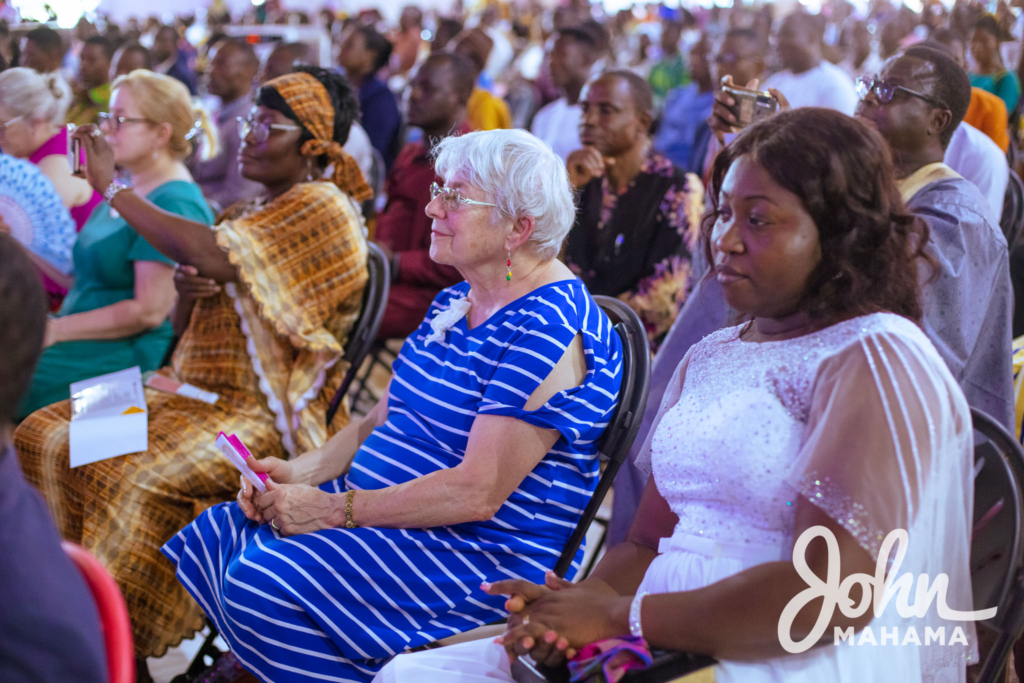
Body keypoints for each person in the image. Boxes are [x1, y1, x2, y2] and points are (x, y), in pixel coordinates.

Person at [376, 107, 977, 683]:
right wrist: (573, 608)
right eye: (722, 215)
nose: (727, 241)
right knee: (409, 672)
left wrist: (618, 618)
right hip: (656, 625)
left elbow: (832, 594)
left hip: (778, 648)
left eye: (759, 219)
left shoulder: (870, 356)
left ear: (840, 231)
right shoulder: (712, 354)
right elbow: (644, 542)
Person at [160, 129, 623, 683]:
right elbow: (380, 417)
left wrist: (332, 511)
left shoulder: (550, 326)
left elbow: (478, 492)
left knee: (262, 582)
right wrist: (298, 472)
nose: (431, 207)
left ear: (518, 228)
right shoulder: (460, 297)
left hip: (474, 556)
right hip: (400, 518)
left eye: (455, 197)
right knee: (223, 531)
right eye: (438, 190)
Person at [15, 67, 372, 681]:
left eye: (267, 125)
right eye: (249, 121)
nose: (248, 135)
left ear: (312, 143)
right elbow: (192, 309)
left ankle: (104, 645)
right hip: (182, 390)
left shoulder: (324, 208)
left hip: (256, 415)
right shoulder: (249, 210)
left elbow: (211, 253)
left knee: (116, 475)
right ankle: (42, 614)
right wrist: (189, 286)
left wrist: (112, 187)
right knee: (42, 432)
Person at [13, 70, 214, 419]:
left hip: (121, 356)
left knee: (10, 380)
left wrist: (57, 330)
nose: (106, 130)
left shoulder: (174, 202)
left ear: (160, 134)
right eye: (108, 117)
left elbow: (148, 311)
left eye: (120, 120)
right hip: (80, 334)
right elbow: (84, 278)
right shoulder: (124, 190)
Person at [855, 45, 1014, 430]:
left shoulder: (957, 219)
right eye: (872, 85)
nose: (873, 96)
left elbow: (910, 357)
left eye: (891, 91)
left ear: (937, 120)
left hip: (926, 437)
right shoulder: (872, 185)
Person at [0, 235, 107, 683]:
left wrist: (60, 329)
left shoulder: (35, 633)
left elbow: (147, 309)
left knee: (56, 437)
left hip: (110, 348)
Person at [565, 71, 700, 353]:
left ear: (642, 123)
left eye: (606, 111)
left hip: (634, 354)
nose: (588, 120)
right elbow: (542, 266)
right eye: (585, 109)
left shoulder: (676, 187)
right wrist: (563, 194)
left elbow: (661, 300)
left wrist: (577, 330)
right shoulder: (579, 178)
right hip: (570, 338)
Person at [374, 53, 473, 340]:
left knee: (320, 307)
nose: (414, 95)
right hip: (387, 278)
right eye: (412, 86)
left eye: (428, 89)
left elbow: (460, 259)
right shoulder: (411, 151)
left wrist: (395, 263)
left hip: (435, 297)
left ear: (460, 96)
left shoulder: (470, 165)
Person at [0, 67, 102, 308]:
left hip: (61, 298)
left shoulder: (55, 169)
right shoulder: (65, 137)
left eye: (1, 127)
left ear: (35, 122)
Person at [189, 39, 263, 211]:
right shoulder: (213, 109)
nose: (211, 72)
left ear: (248, 71)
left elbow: (239, 197)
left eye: (221, 65)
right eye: (210, 64)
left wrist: (188, 205)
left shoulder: (248, 123)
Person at [932, 28, 1010, 152]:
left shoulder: (991, 107)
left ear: (965, 65)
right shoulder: (911, 107)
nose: (945, 68)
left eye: (954, 60)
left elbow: (994, 163)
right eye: (936, 60)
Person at [764, 12, 857, 114]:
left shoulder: (835, 84)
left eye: (788, 35)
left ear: (812, 38)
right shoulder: (774, 82)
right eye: (776, 36)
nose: (779, 42)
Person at [530, 28, 599, 162]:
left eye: (561, 54)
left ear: (586, 60)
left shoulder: (599, 118)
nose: (550, 62)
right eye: (550, 55)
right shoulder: (545, 116)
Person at [338, 26, 401, 170]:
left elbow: (373, 151)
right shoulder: (341, 87)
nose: (341, 48)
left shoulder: (381, 99)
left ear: (369, 55)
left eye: (349, 45)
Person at [654, 37, 715, 173]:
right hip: (659, 168)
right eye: (692, 54)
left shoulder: (718, 103)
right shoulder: (677, 95)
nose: (693, 61)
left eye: (702, 55)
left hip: (689, 175)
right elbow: (660, 139)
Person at [454, 29, 513, 131]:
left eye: (457, 59)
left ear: (475, 65)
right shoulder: (462, 97)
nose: (451, 65)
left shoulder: (485, 105)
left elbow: (482, 145)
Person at [970, 15, 1021, 114]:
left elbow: (1000, 117)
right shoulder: (968, 74)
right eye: (973, 41)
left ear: (997, 42)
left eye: (984, 41)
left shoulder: (1007, 79)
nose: (977, 46)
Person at [20, 26, 72, 116]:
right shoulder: (35, 83)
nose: (24, 61)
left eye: (31, 55)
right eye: (24, 54)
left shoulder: (59, 92)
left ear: (52, 54)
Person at [66, 36, 114, 126]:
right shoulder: (80, 94)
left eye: (91, 60)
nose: (82, 65)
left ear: (109, 62)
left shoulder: (112, 97)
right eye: (81, 59)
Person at [648, 18, 689, 111]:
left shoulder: (684, 64)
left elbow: (682, 94)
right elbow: (649, 85)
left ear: (678, 37)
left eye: (667, 35)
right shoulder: (657, 61)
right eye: (662, 34)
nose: (663, 38)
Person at [152, 25, 198, 95]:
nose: (158, 45)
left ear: (175, 44)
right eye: (156, 39)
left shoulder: (181, 76)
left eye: (164, 41)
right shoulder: (150, 65)